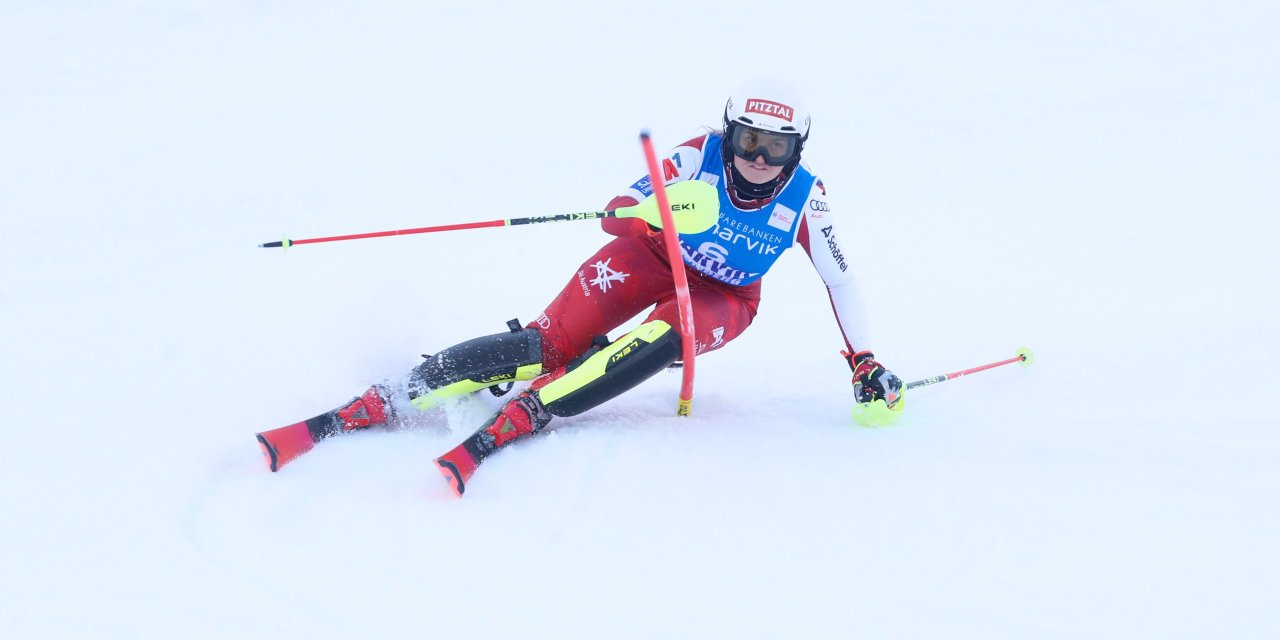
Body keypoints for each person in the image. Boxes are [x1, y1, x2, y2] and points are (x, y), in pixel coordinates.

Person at [255, 85, 904, 495]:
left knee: (665, 335)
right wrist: (645, 213)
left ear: (795, 153)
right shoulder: (694, 156)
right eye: (750, 141)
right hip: (650, 254)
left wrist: (864, 359)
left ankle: (538, 410)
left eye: (777, 148)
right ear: (731, 134)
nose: (759, 159)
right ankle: (393, 395)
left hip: (726, 299)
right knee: (548, 342)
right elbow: (619, 207)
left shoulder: (806, 200)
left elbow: (840, 279)